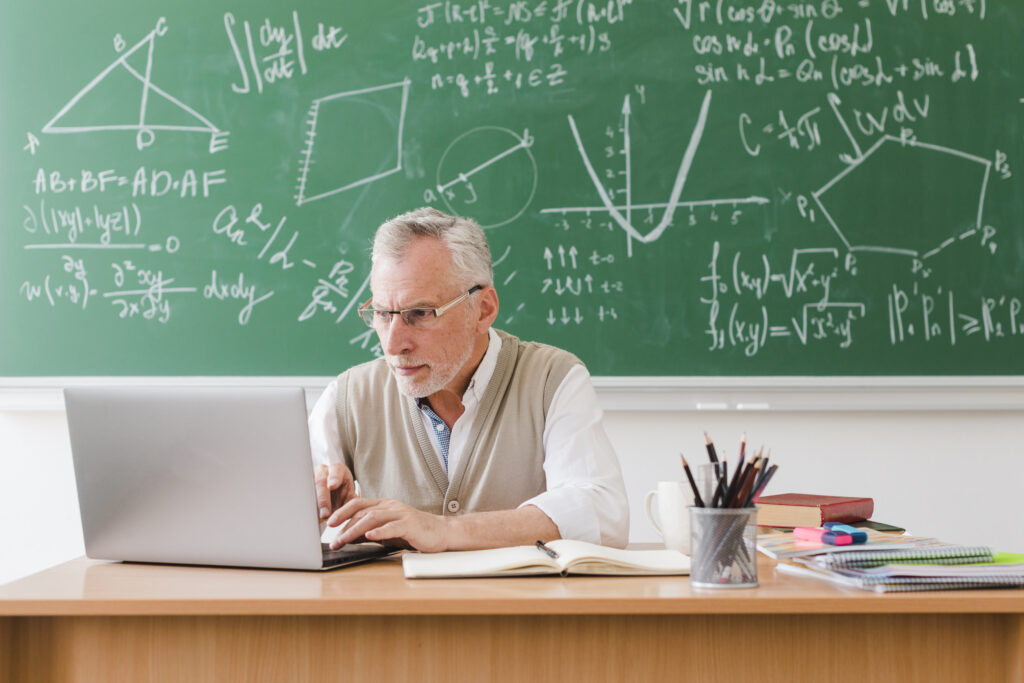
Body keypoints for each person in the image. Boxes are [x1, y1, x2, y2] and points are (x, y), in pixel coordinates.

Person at [308, 207, 628, 552]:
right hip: (395, 606)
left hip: (519, 606)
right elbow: (274, 519)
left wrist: (443, 531)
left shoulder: (552, 379)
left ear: (484, 309)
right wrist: (314, 506)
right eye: (383, 314)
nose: (392, 343)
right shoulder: (348, 395)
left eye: (420, 313)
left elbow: (603, 514)